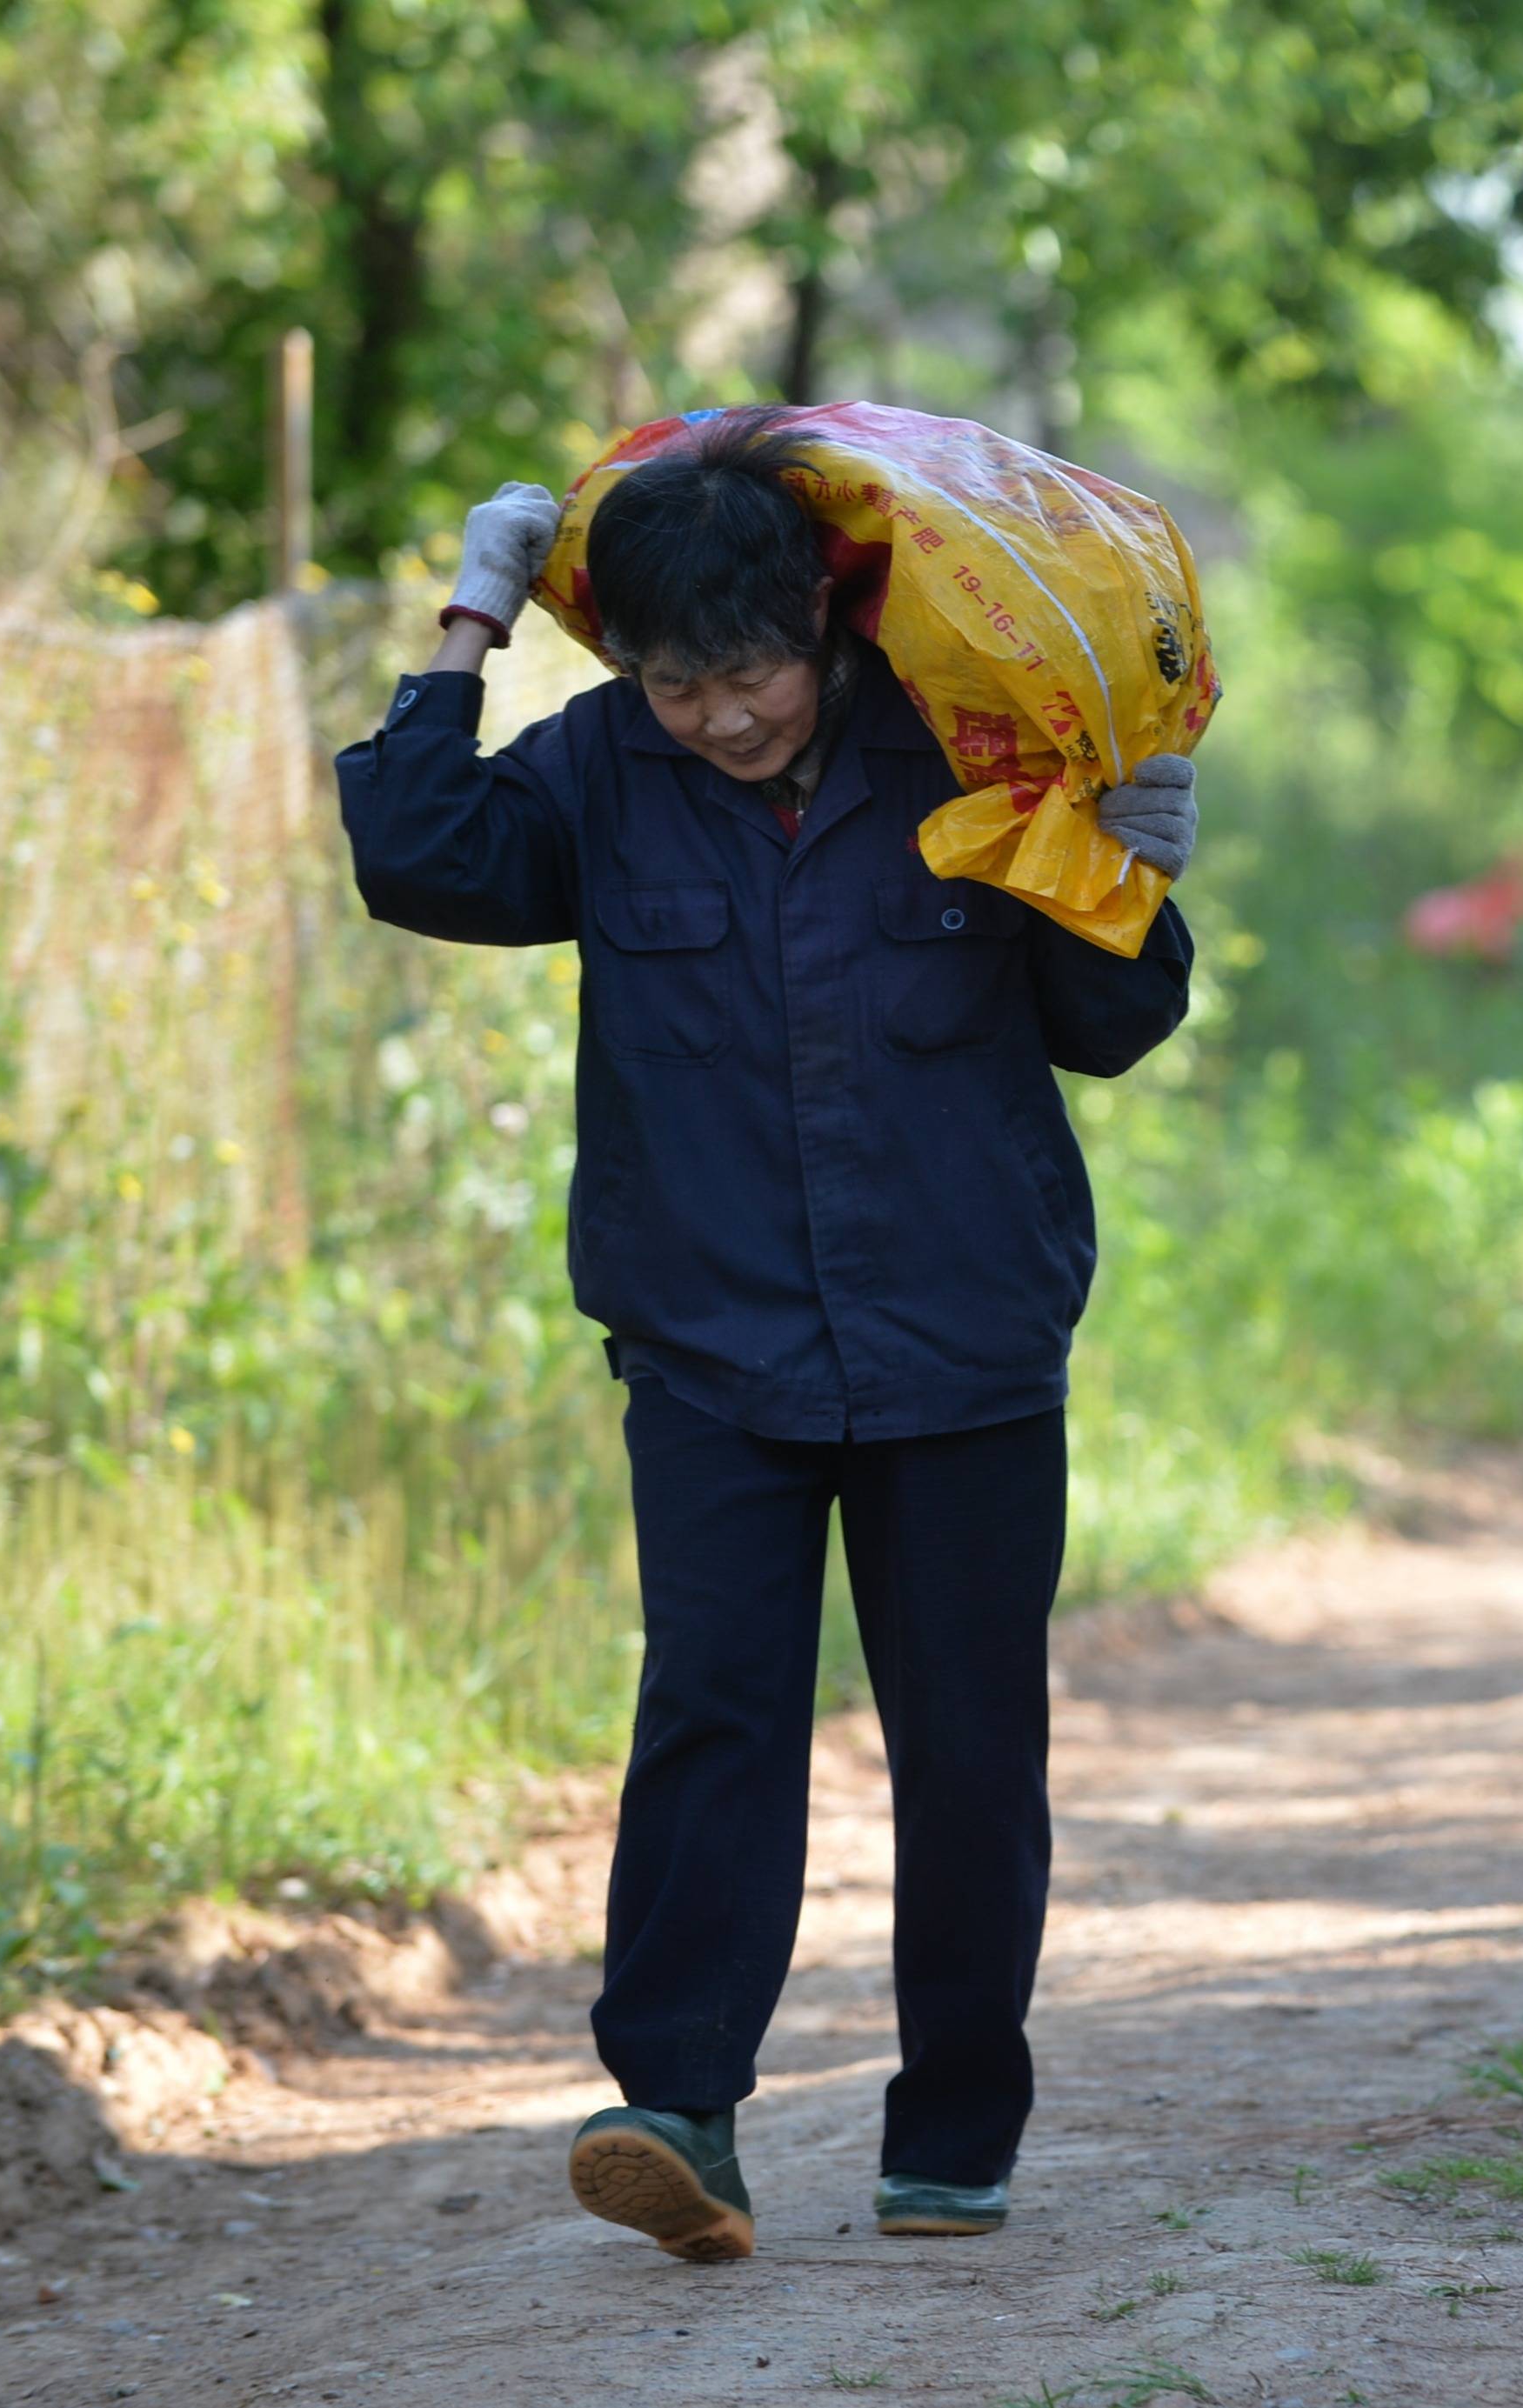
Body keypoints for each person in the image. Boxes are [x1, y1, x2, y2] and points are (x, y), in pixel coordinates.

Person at [336, 407, 1207, 2262]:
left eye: (749, 674)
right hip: (709, 1346)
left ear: (823, 624)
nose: (723, 718)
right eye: (676, 683)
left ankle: (953, 2131)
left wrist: (1134, 867)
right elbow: (414, 854)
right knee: (713, 1714)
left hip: (964, 1339)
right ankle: (680, 2112)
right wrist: (470, 624)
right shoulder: (595, 776)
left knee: (968, 1742)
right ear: (626, 668)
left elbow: (1109, 1024)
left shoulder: (976, 758)